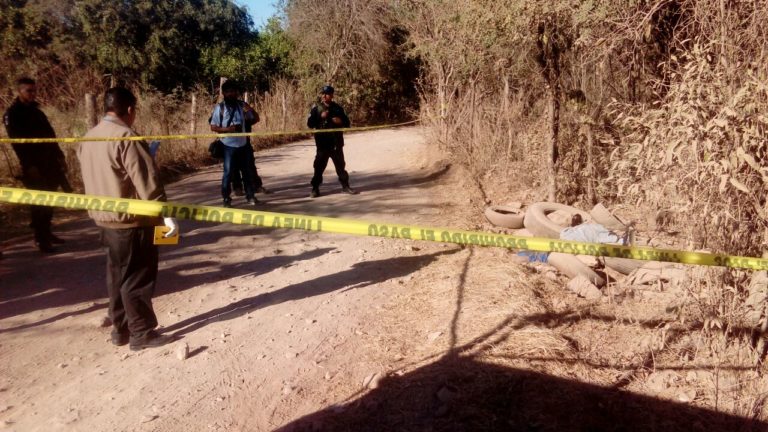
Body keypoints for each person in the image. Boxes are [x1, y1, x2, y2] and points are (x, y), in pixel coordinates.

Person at [78, 87, 178, 351]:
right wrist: (163, 215)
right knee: (138, 276)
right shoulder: (126, 137)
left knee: (117, 275)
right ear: (131, 110)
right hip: (134, 221)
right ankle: (142, 332)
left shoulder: (89, 137)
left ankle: (119, 330)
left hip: (104, 220)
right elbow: (146, 182)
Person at [3, 77, 72, 253]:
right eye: (28, 91)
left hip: (50, 162)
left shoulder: (37, 112)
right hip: (33, 165)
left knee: (50, 200)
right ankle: (41, 238)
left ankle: (47, 232)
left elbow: (51, 136)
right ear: (19, 91)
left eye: (34, 90)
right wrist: (29, 165)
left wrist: (60, 157)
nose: (33, 94)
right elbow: (17, 143)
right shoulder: (13, 114)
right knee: (39, 203)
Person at [210, 80, 261, 207]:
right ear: (224, 94)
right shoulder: (220, 108)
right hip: (228, 146)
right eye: (228, 92)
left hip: (243, 144)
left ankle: (250, 196)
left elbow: (256, 119)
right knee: (228, 173)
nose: (231, 94)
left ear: (236, 92)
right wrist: (228, 129)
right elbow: (213, 127)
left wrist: (250, 110)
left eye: (233, 91)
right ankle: (226, 199)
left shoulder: (242, 105)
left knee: (247, 172)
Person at [307, 85, 357, 198]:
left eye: (327, 94)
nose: (324, 96)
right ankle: (315, 189)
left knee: (340, 166)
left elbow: (347, 123)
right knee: (318, 167)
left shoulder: (338, 108)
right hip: (322, 144)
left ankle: (345, 186)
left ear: (332, 95)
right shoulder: (316, 108)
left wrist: (340, 121)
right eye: (323, 94)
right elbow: (310, 124)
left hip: (336, 144)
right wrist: (320, 117)